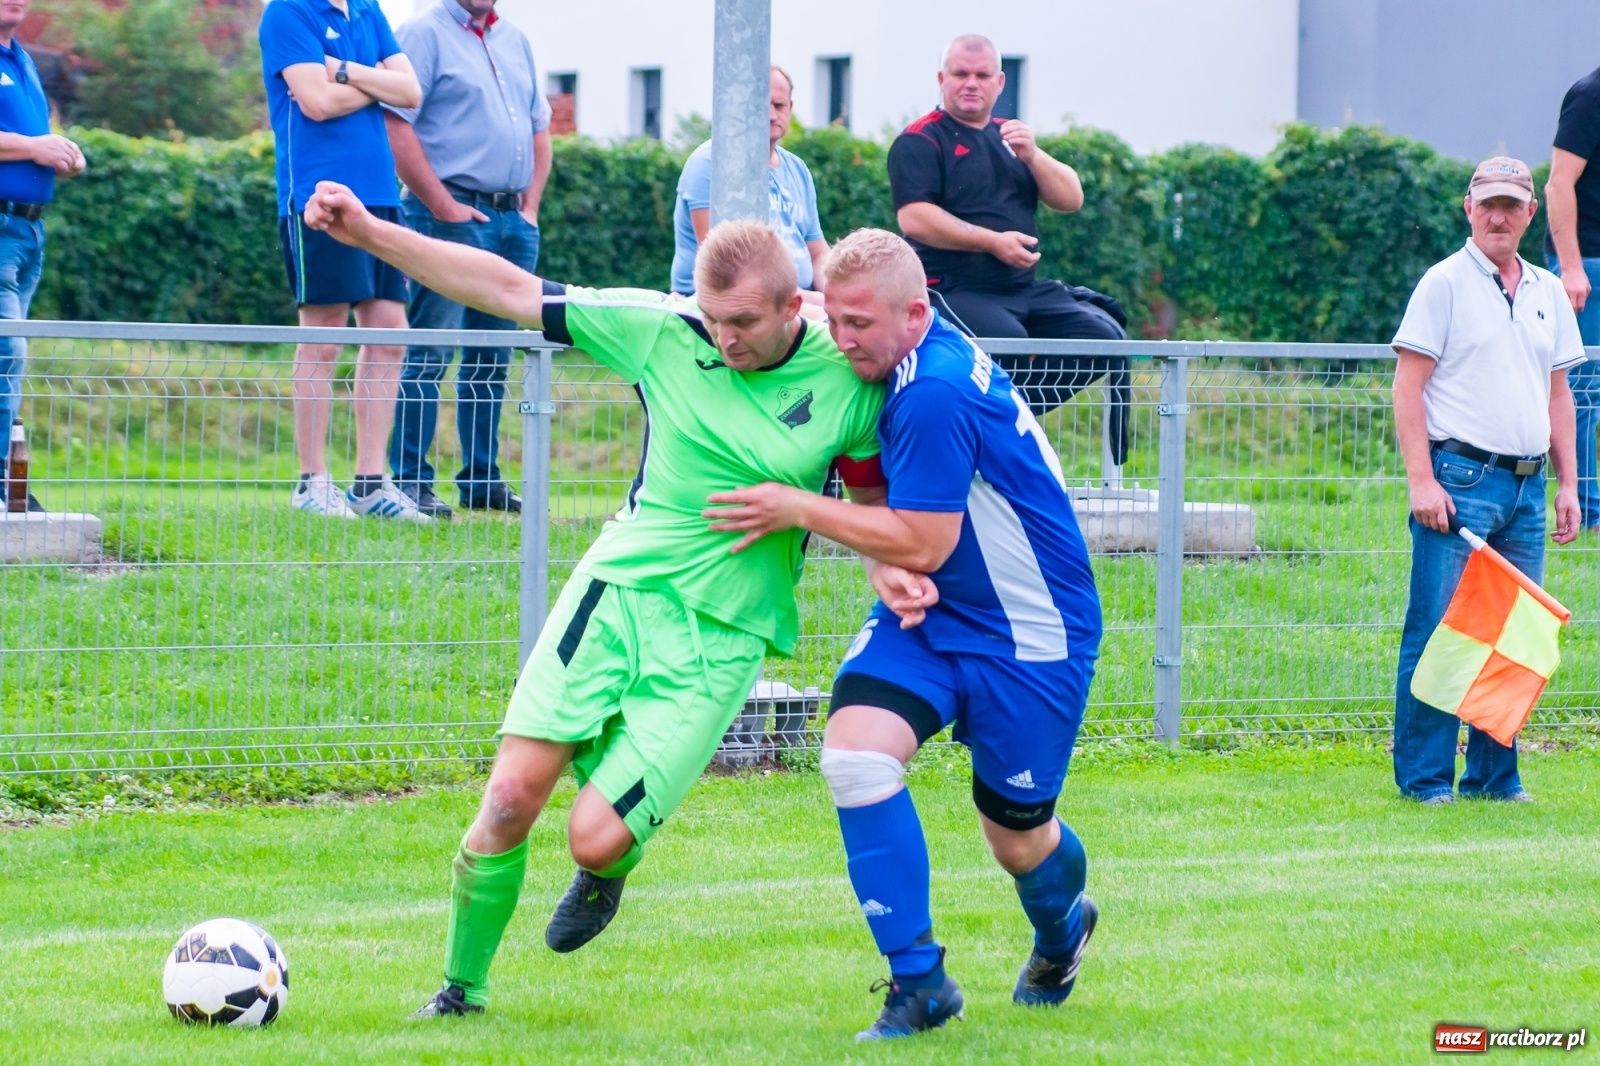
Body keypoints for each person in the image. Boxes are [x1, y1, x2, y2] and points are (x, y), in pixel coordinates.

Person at [301, 180, 887, 1018]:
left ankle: (607, 868)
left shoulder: (849, 375)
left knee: (594, 836)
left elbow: (874, 503)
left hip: (724, 638)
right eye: (712, 318)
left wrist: (853, 546)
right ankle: (460, 994)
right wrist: (366, 232)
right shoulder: (665, 331)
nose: (723, 339)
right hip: (617, 595)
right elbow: (507, 287)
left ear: (796, 305)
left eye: (743, 323)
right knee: (509, 798)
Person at [705, 229, 1102, 1040]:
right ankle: (919, 984)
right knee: (856, 760)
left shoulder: (933, 392)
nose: (841, 338)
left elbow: (923, 540)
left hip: (1030, 632)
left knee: (1018, 840)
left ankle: (1063, 932)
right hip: (930, 614)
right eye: (834, 318)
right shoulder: (905, 349)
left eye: (858, 324)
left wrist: (796, 506)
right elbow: (908, 532)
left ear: (916, 314)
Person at [1391, 157, 1583, 805]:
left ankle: (1495, 779)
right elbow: (1408, 388)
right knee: (1438, 629)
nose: (1499, 217)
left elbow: (1559, 395)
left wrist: (1568, 484)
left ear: (1531, 214)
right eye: (1488, 205)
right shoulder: (1443, 283)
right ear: (1468, 209)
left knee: (1510, 636)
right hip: (1459, 481)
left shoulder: (1548, 290)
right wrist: (1422, 480)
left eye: (1511, 206)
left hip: (1529, 489)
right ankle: (1425, 781)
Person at [888, 33, 1129, 461]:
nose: (971, 83)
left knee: (1104, 336)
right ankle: (993, 435)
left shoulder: (1012, 138)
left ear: (1000, 83)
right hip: (951, 287)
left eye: (982, 75)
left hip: (1022, 288)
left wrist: (1034, 156)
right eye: (961, 74)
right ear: (942, 79)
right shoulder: (920, 139)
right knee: (1009, 343)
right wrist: (992, 242)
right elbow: (914, 218)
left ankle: (1001, 420)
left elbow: (1071, 198)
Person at [259, 0, 428, 521]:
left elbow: (412, 93)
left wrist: (342, 71)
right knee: (325, 338)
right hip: (319, 194)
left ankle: (371, 485)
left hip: (380, 196)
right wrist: (376, 81)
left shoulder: (367, 10)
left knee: (390, 334)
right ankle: (312, 482)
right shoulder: (287, 13)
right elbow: (316, 104)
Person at [383, 0, 552, 519]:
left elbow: (538, 129)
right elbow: (395, 124)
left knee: (492, 357)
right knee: (431, 350)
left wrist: (529, 209)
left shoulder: (515, 40)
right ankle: (410, 481)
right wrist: (442, 206)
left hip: (511, 222)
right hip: (448, 214)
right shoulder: (423, 34)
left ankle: (481, 481)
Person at [0, 0, 83, 513]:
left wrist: (61, 155)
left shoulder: (22, 59)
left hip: (29, 231)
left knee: (10, 361)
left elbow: (33, 142)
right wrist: (35, 148)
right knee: (6, 353)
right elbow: (29, 144)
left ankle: (8, 483)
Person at [670, 66, 827, 296]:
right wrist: (816, 304)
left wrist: (834, 293)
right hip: (725, 303)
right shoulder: (711, 162)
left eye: (779, 105)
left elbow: (818, 253)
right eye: (761, 106)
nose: (772, 115)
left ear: (790, 108)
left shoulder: (798, 169)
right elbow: (725, 265)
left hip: (796, 302)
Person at [1544, 65, 1600, 533]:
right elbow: (1558, 184)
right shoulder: (1589, 96)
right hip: (1588, 268)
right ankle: (1589, 511)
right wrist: (1571, 267)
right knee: (1580, 392)